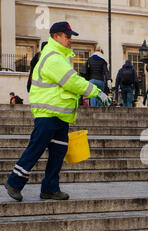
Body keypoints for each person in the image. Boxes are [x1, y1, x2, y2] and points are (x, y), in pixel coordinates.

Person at [4, 21, 111, 202]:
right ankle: (14, 183)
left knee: (58, 152)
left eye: (70, 36)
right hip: (48, 114)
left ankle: (50, 188)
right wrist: (96, 91)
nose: (70, 40)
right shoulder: (53, 57)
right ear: (56, 37)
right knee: (36, 148)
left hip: (59, 115)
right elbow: (71, 81)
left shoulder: (60, 56)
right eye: (67, 36)